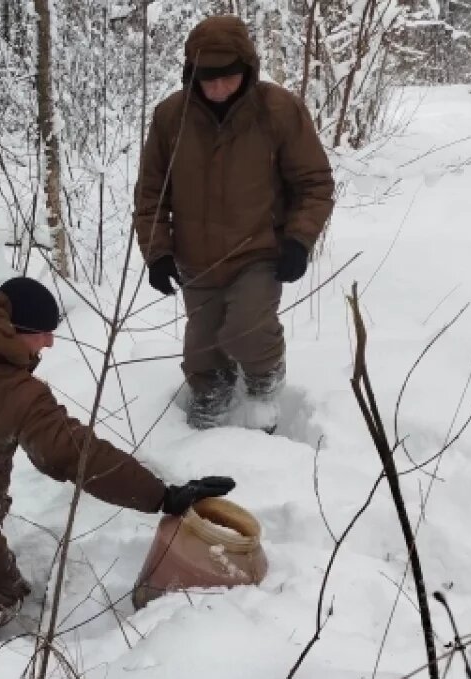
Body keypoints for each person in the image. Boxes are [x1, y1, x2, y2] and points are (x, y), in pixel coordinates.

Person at [0, 276, 235, 675]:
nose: (49, 343)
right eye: (42, 333)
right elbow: (79, 455)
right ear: (13, 331)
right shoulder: (19, 393)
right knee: (3, 589)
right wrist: (161, 496)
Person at [134, 15, 335, 431]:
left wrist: (299, 240)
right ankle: (212, 395)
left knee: (247, 330)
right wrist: (157, 252)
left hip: (257, 252)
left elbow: (314, 183)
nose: (219, 88)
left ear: (248, 68)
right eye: (208, 79)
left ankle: (265, 381)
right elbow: (151, 192)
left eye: (229, 77)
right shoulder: (171, 117)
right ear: (192, 74)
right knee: (201, 351)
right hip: (196, 259)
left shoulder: (278, 110)